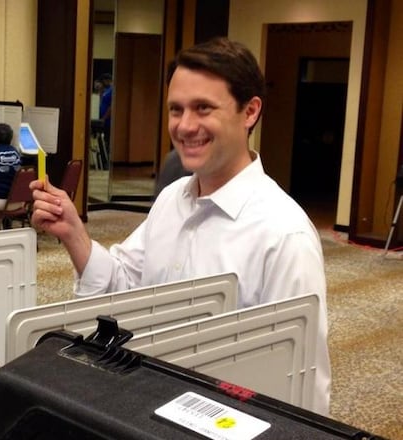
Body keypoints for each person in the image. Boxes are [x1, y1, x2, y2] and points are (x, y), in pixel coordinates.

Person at [30, 38, 331, 415]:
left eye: (203, 108)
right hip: (147, 404)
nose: (186, 126)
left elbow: (304, 385)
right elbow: (125, 287)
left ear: (250, 111)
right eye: (176, 109)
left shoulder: (284, 235)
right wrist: (75, 233)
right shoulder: (173, 199)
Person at [97, 73, 113, 150]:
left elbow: (111, 106)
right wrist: (100, 91)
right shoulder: (105, 91)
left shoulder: (112, 90)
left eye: (103, 81)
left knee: (107, 139)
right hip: (102, 118)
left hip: (107, 120)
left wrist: (104, 117)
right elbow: (101, 102)